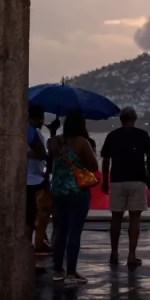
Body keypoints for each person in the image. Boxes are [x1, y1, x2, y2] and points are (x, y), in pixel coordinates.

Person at [101, 106, 150, 268]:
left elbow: (105, 159)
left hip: (117, 180)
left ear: (121, 120)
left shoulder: (112, 136)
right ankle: (131, 255)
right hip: (137, 180)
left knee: (116, 218)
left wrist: (105, 181)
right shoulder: (142, 135)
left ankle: (114, 253)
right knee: (134, 219)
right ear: (134, 119)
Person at [48, 108, 98, 284]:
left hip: (58, 190)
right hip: (77, 191)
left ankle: (58, 270)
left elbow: (50, 160)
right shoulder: (82, 142)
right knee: (75, 231)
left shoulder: (52, 141)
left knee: (60, 230)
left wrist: (53, 131)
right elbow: (94, 167)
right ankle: (71, 272)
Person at [26, 105, 48, 253]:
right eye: (40, 118)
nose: (42, 121)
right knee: (30, 217)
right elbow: (42, 153)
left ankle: (32, 247)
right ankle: (28, 250)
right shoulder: (31, 132)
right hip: (32, 180)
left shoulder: (35, 132)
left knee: (32, 217)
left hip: (33, 178)